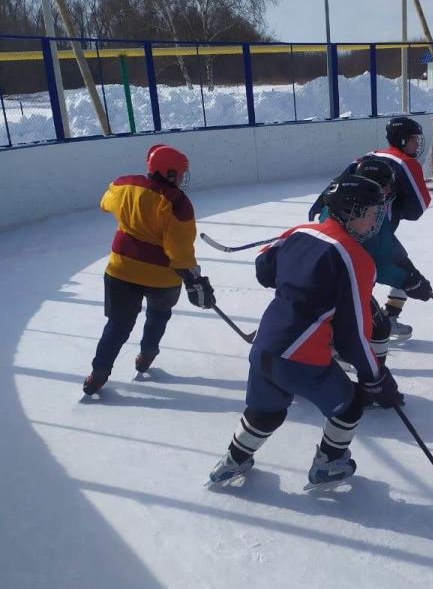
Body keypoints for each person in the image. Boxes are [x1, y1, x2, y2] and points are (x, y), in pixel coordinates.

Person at [208, 174, 403, 488]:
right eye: (371, 212)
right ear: (351, 212)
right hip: (302, 357)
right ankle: (328, 464)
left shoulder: (299, 231)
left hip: (265, 346)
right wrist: (374, 376)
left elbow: (263, 268)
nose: (375, 219)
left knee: (266, 411)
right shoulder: (357, 259)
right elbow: (354, 334)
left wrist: (298, 282)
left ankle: (232, 461)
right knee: (350, 406)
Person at [82, 144, 215, 395]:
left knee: (118, 324)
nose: (183, 178)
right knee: (158, 315)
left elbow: (105, 203)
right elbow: (180, 251)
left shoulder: (125, 184)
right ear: (170, 173)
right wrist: (192, 276)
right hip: (161, 278)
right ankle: (147, 355)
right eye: (181, 173)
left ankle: (98, 373)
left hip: (120, 270)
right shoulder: (178, 205)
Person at [309, 153, 433, 354]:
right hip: (340, 280)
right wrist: (407, 281)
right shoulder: (363, 214)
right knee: (373, 326)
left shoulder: (357, 206)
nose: (388, 190)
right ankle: (347, 357)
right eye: (385, 185)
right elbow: (377, 264)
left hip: (341, 274)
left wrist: (408, 275)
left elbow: (381, 251)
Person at [370, 116, 432, 339]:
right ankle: (360, 330)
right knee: (406, 274)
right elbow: (418, 208)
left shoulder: (370, 155)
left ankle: (384, 320)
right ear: (403, 140)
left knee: (355, 278)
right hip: (375, 232)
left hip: (342, 226)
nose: (418, 143)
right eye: (414, 139)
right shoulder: (406, 163)